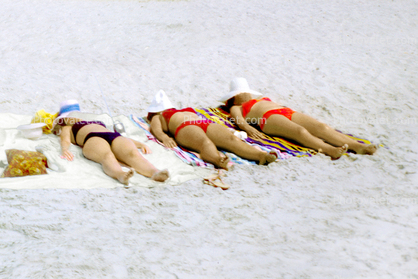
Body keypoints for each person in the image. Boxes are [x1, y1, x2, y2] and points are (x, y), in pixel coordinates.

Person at [220, 77, 377, 159]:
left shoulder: (263, 99)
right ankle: (330, 150)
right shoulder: (237, 107)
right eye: (241, 93)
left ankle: (357, 146)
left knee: (322, 127)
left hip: (285, 111)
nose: (245, 94)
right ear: (234, 98)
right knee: (299, 132)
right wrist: (247, 128)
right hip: (267, 118)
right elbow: (239, 120)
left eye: (246, 92)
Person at [147, 90, 278, 169]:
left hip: (202, 123)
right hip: (185, 127)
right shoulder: (159, 116)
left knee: (231, 139)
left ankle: (261, 156)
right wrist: (165, 138)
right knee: (205, 143)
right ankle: (218, 160)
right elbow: (156, 130)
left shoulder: (180, 110)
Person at [51, 100, 169, 185]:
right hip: (90, 138)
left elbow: (112, 132)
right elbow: (65, 140)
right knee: (107, 156)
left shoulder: (90, 120)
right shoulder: (67, 126)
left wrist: (140, 144)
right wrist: (65, 149)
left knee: (133, 153)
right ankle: (120, 175)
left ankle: (155, 173)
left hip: (112, 135)